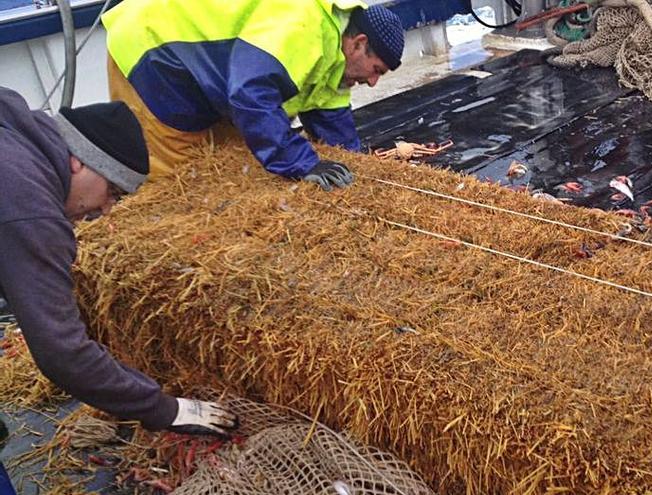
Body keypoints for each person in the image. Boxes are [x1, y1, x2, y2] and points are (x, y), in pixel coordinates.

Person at [0, 87, 237, 437]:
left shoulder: (15, 130)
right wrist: (164, 409)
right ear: (77, 160)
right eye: (112, 190)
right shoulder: (30, 210)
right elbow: (62, 352)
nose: (106, 209)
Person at [101, 0, 405, 190]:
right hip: (155, 49)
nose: (374, 82)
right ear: (358, 43)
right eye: (376, 69)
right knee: (186, 180)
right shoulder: (304, 26)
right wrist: (302, 163)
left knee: (238, 166)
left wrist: (359, 172)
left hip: (216, 70)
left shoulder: (337, 58)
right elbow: (250, 94)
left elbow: (331, 117)